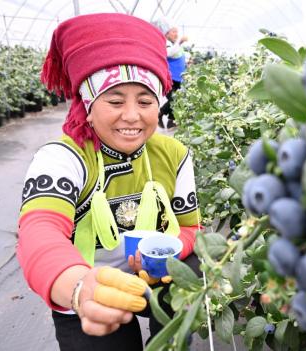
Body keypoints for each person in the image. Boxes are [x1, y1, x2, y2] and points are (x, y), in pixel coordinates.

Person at [16, 13, 201, 351]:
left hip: (155, 277)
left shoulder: (173, 155)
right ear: (87, 106)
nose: (132, 115)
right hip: (88, 291)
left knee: (194, 267)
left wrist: (162, 255)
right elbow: (38, 231)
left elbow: (191, 228)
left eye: (145, 102)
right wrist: (79, 287)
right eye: (115, 101)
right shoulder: (64, 158)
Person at [156, 19, 188, 130]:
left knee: (177, 100)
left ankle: (171, 121)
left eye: (177, 32)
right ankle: (159, 113)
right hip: (171, 78)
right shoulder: (166, 44)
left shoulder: (174, 44)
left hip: (179, 78)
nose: (176, 34)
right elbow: (169, 53)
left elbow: (179, 55)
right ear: (166, 33)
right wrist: (180, 42)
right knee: (174, 99)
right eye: (173, 31)